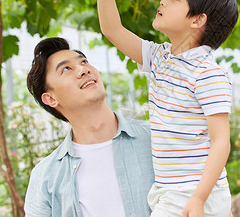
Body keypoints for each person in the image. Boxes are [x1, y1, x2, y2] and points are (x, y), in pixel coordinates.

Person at [92, 0, 238, 217]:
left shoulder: (207, 74)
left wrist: (198, 199)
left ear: (197, 20)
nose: (163, 0)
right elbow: (112, 29)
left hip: (196, 193)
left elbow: (221, 141)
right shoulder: (160, 58)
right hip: (169, 191)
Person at [24, 37, 154, 217]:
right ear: (51, 99)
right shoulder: (45, 176)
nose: (83, 70)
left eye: (84, 61)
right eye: (66, 69)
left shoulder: (155, 138)